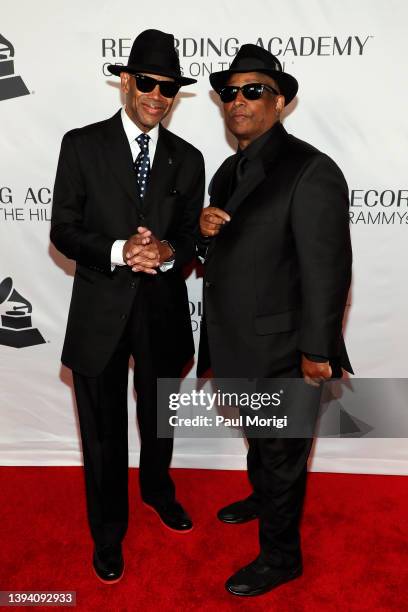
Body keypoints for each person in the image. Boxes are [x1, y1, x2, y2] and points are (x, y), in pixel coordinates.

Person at [198, 44, 352, 597]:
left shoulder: (310, 170)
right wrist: (203, 232)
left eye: (253, 90)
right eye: (229, 92)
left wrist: (318, 351)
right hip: (237, 343)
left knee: (284, 453)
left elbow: (326, 271)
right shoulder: (227, 169)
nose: (237, 101)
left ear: (280, 101)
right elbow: (226, 247)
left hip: (287, 349)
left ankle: (282, 557)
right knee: (262, 443)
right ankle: (261, 498)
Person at [51, 29, 205, 583]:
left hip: (162, 312)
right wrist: (120, 250)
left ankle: (159, 491)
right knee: (103, 431)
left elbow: (191, 239)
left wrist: (165, 252)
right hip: (100, 314)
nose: (156, 95)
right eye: (147, 82)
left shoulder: (189, 159)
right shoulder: (82, 144)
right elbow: (64, 230)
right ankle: (108, 532)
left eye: (168, 87)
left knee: (159, 419)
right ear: (125, 81)